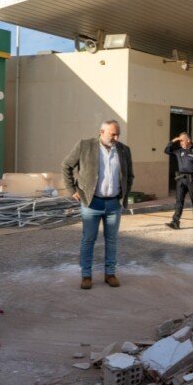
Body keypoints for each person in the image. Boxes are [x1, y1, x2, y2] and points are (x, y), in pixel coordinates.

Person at [62, 120, 133, 289]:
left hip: (114, 203)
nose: (116, 137)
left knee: (112, 240)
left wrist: (124, 193)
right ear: (101, 131)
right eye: (112, 134)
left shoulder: (123, 150)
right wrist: (72, 189)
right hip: (91, 203)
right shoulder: (85, 146)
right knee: (88, 240)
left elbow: (129, 175)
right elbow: (66, 165)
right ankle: (86, 276)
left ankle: (110, 274)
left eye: (118, 134)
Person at [164, 132, 193, 229]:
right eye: (180, 141)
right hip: (181, 179)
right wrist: (173, 140)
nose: (181, 143)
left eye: (182, 140)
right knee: (179, 200)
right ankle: (175, 222)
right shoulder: (179, 151)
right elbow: (166, 150)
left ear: (188, 140)